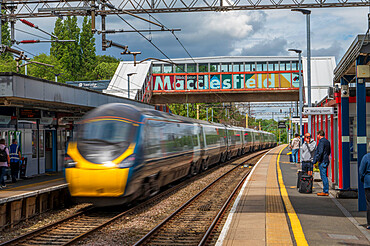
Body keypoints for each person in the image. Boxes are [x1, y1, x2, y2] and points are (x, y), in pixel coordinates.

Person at [313, 130, 331, 196]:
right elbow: (329, 151)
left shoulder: (321, 142)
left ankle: (325, 191)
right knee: (324, 176)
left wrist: (317, 160)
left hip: (322, 161)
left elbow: (320, 152)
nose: (317, 136)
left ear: (319, 135)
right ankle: (325, 190)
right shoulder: (327, 141)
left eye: (317, 135)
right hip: (326, 160)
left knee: (323, 176)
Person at [359, 142, 370, 229]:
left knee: (369, 203)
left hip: (368, 182)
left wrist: (362, 179)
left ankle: (369, 223)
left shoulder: (366, 157)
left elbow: (361, 171)